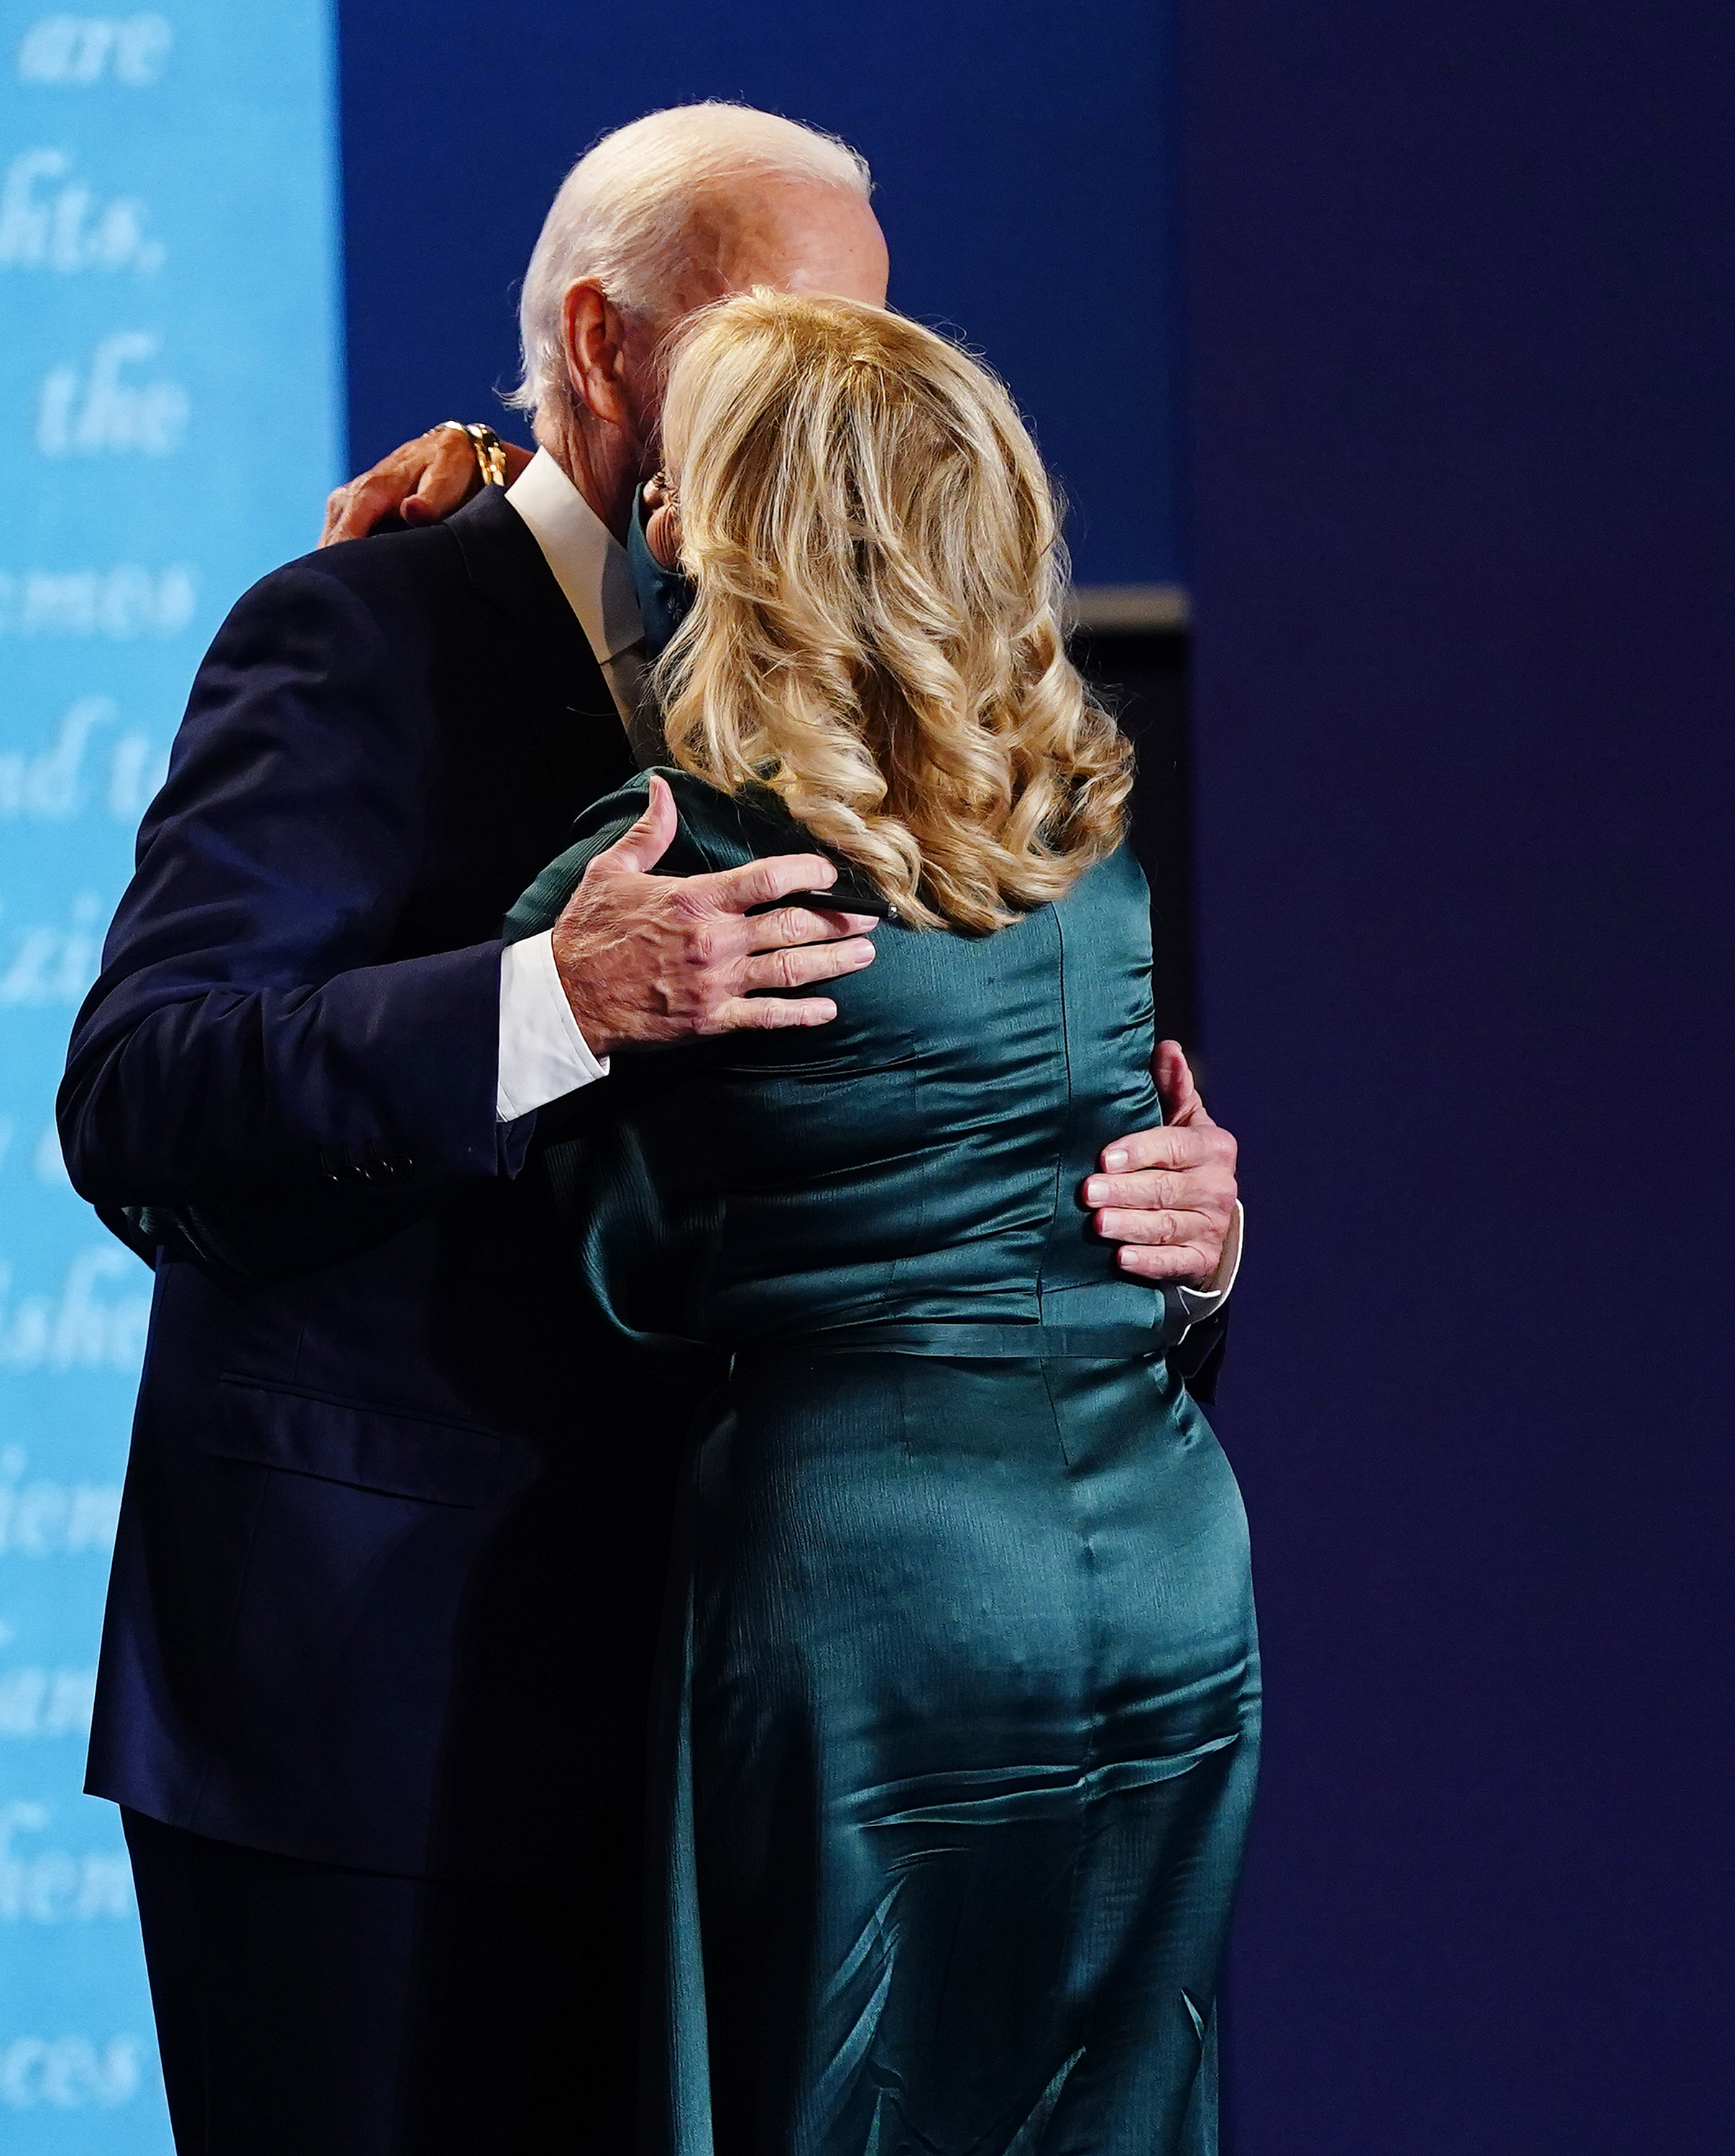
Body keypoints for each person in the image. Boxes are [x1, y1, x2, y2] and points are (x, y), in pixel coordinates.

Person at [58, 104, 1242, 2154]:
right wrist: (550, 999)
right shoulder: (353, 632)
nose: (835, 390)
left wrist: (1169, 1235)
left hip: (765, 1714)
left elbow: (974, 1134)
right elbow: (146, 1096)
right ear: (605, 349)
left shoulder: (899, 678)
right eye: (774, 331)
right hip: (394, 1731)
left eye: (869, 337)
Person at [505, 290, 1256, 2152]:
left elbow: (575, 1275)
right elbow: (1110, 1218)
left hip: (867, 1586)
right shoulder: (1080, 856)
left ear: (748, 528)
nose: (654, 498)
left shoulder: (672, 866)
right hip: (1163, 1565)